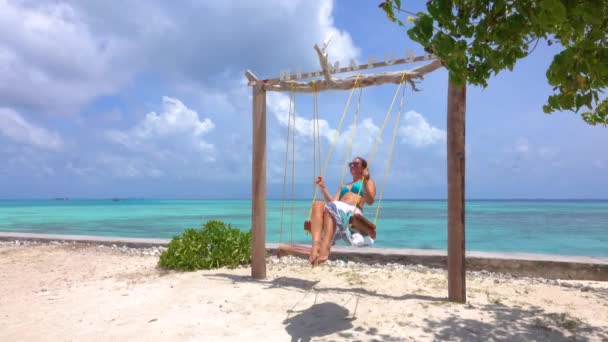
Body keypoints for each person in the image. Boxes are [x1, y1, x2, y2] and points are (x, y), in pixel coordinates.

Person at [308, 156, 376, 265]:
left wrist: (366, 180)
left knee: (332, 206)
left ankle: (326, 246)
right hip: (338, 209)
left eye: (356, 164)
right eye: (351, 164)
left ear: (363, 168)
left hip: (353, 212)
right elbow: (332, 202)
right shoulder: (343, 186)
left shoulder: (367, 182)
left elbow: (370, 200)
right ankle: (316, 245)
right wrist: (323, 188)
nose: (352, 166)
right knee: (317, 205)